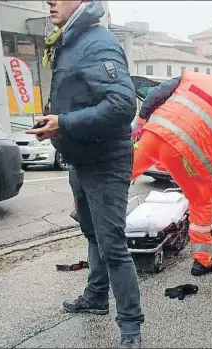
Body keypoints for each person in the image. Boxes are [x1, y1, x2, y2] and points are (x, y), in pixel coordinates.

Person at [25, 1, 144, 347]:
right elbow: (79, 97)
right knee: (92, 233)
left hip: (105, 160)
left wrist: (64, 123)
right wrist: (55, 120)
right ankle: (95, 297)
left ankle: (131, 330)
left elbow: (123, 105)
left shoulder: (97, 41)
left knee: (113, 246)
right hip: (81, 156)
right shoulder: (69, 40)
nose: (50, 1)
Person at [130, 65, 212, 276]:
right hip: (186, 155)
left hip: (154, 134)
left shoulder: (192, 77)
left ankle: (86, 206)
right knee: (201, 202)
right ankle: (202, 261)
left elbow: (158, 92)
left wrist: (141, 120)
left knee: (121, 173)